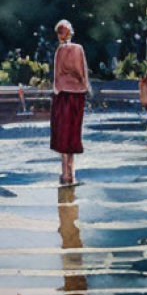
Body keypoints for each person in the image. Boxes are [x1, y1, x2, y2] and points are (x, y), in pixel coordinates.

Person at [50, 20, 90, 185]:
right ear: (71, 32)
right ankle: (71, 173)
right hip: (77, 94)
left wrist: (57, 91)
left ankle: (64, 172)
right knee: (73, 133)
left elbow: (57, 76)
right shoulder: (79, 49)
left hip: (63, 95)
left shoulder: (59, 51)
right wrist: (84, 87)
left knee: (62, 134)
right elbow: (83, 72)